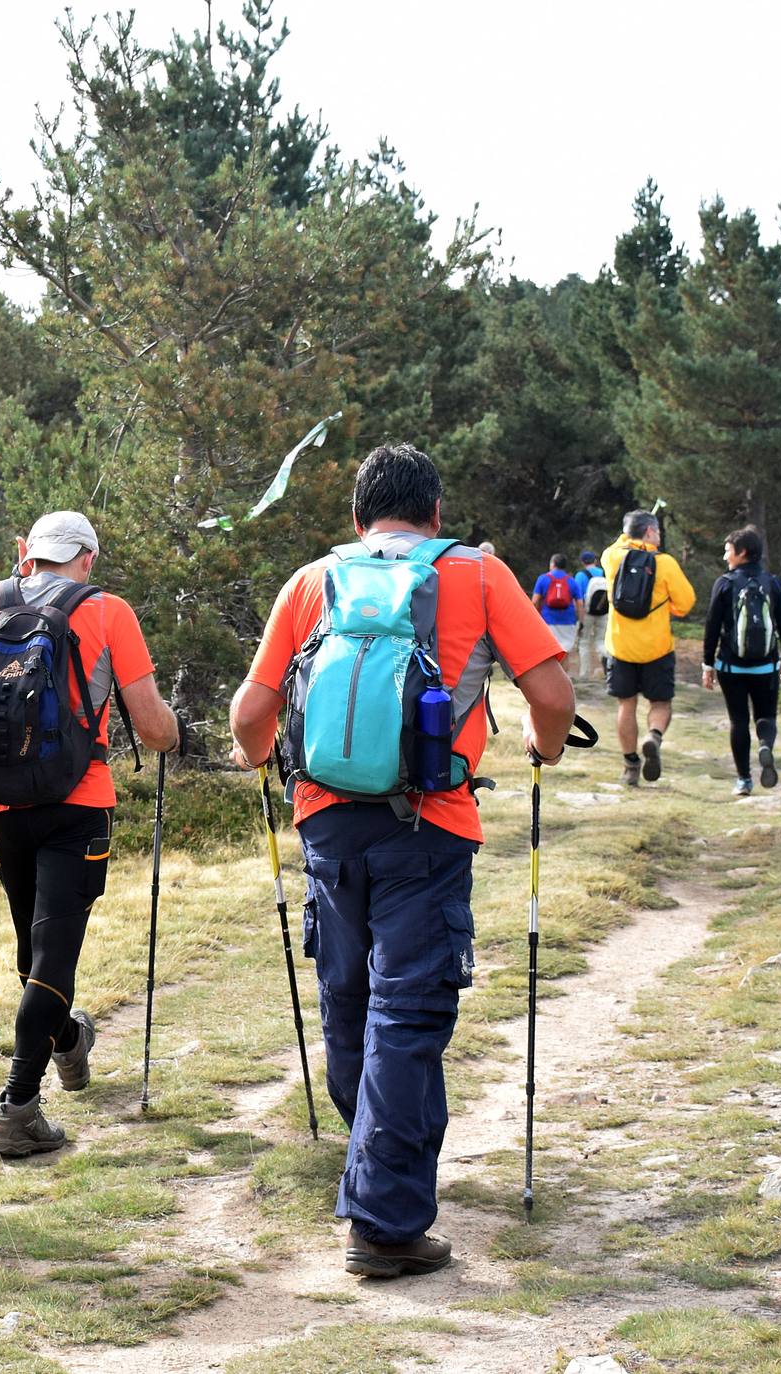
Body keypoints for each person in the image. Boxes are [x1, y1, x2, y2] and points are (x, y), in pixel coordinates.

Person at [227, 444, 577, 1278]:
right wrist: (542, 747)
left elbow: (249, 715)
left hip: (327, 821)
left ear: (357, 518)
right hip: (429, 821)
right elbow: (554, 697)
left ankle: (383, 1168)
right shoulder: (480, 576)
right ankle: (382, 1226)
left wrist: (263, 760)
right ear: (437, 514)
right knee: (408, 1012)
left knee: (350, 1002)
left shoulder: (313, 581)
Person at [0, 511, 179, 1157]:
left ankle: (66, 1040)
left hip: (1, 802)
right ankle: (18, 1107)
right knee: (51, 960)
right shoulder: (109, 611)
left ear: (27, 553)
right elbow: (155, 728)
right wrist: (174, 730)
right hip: (76, 802)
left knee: (32, 959)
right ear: (88, 557)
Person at [600, 510, 696, 788]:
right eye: (657, 532)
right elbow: (686, 603)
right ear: (651, 532)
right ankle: (653, 736)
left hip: (620, 647)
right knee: (660, 703)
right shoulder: (664, 563)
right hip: (657, 648)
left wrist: (628, 536)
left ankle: (630, 765)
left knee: (625, 705)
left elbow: (617, 544)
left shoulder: (612, 558)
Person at [701, 526, 781, 797]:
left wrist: (708, 665)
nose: (724, 556)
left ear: (742, 553)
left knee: (738, 721)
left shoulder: (725, 583)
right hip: (766, 666)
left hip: (731, 666)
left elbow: (711, 626)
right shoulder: (773, 583)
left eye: (728, 550)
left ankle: (744, 780)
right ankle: (765, 744)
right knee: (766, 716)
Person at [531, 554, 580, 661]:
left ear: (552, 564)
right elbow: (580, 603)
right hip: (568, 621)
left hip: (548, 620)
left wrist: (533, 619)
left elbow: (535, 601)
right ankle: (565, 676)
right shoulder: (571, 581)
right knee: (565, 652)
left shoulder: (543, 579)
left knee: (550, 652)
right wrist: (580, 619)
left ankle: (552, 676)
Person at [571, 551, 607, 678]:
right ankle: (609, 667)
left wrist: (578, 616)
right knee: (601, 641)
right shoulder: (604, 573)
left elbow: (578, 598)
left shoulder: (580, 575)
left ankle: (584, 674)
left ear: (582, 562)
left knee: (584, 642)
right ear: (595, 561)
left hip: (586, 613)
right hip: (603, 612)